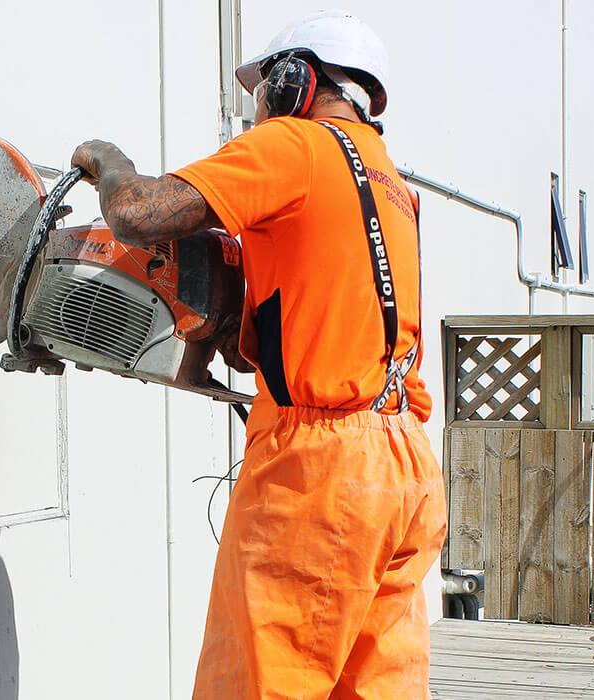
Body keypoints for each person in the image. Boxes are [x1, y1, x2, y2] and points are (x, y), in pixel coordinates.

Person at [71, 9, 447, 699]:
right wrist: (228, 329)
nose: (258, 111)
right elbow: (319, 311)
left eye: (264, 91)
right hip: (403, 466)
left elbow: (139, 214)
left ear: (293, 81)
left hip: (320, 475)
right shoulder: (392, 185)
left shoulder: (293, 145)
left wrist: (108, 161)